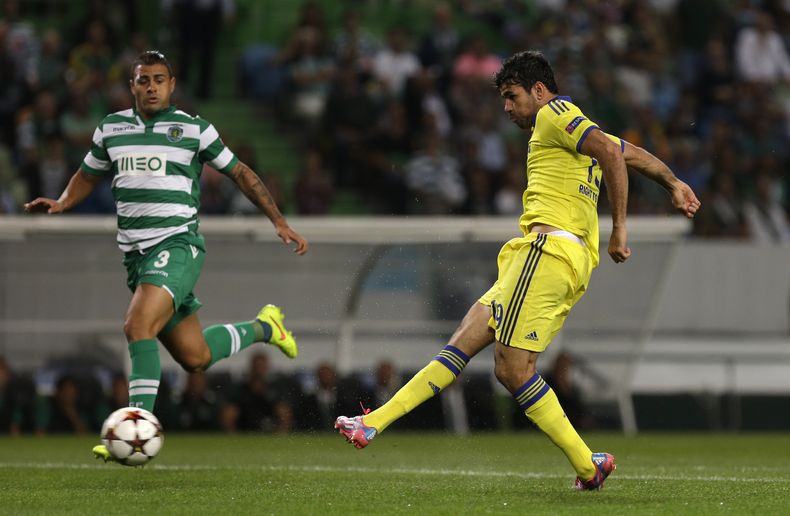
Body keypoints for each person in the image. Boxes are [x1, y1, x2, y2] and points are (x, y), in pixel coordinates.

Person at [336, 50, 700, 491]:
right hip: (542, 257)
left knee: (512, 369)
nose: (507, 107)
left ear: (540, 91)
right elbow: (628, 152)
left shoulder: (555, 113)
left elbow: (610, 151)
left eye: (512, 96)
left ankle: (588, 465)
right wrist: (675, 182)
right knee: (465, 338)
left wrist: (619, 230)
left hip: (548, 252)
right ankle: (372, 423)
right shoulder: (575, 131)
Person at [23, 51, 308, 461]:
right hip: (138, 260)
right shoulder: (111, 129)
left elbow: (241, 172)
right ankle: (265, 327)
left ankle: (133, 430)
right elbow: (88, 174)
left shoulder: (194, 130)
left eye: (159, 79)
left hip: (178, 246)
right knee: (195, 357)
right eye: (143, 80)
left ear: (172, 85)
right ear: (132, 86)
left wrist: (278, 221)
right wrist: (63, 202)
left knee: (137, 325)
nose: (151, 86)